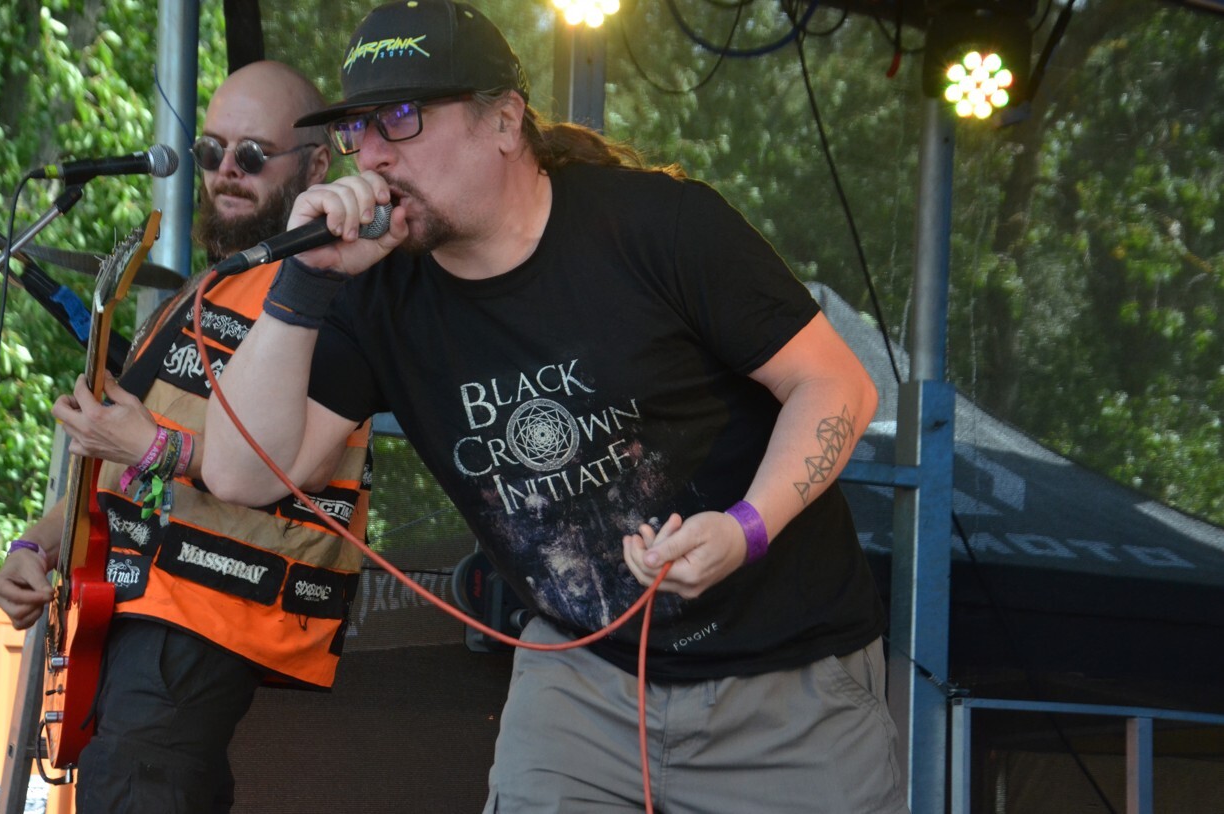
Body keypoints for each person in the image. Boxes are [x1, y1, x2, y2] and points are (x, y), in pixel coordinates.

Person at [203, 2, 906, 812]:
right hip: (581, 681)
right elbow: (241, 475)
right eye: (358, 127)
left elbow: (837, 386)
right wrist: (304, 285)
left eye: (402, 118)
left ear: (504, 120)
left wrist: (746, 527)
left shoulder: (657, 225)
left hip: (786, 684)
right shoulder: (376, 286)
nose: (373, 153)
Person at [0, 60, 371, 813]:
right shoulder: (201, 291)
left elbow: (287, 468)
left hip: (210, 609)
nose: (226, 170)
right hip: (132, 601)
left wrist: (152, 446)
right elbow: (110, 458)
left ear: (316, 167)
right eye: (210, 151)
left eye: (252, 155)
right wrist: (36, 544)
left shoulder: (334, 288)